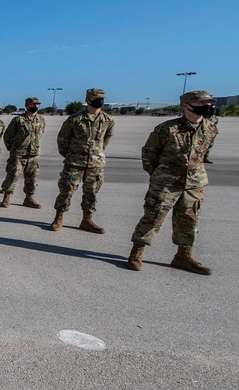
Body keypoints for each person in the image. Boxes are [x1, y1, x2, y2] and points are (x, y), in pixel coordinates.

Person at [127, 90, 218, 275]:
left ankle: (183, 256)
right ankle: (137, 253)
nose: (207, 107)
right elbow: (149, 154)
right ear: (186, 105)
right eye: (201, 103)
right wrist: (159, 175)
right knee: (153, 217)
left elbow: (205, 153)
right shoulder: (167, 129)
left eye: (208, 103)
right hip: (166, 183)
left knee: (190, 221)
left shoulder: (210, 128)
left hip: (194, 183)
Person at [50, 89, 115, 233]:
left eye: (102, 98)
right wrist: (72, 156)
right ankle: (59, 217)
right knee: (66, 191)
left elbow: (105, 141)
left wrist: (96, 155)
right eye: (97, 98)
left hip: (95, 164)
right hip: (74, 163)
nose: (100, 101)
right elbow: (62, 140)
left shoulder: (108, 120)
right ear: (88, 100)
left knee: (91, 193)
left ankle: (87, 220)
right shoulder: (75, 119)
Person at [0, 97, 46, 208]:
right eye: (33, 104)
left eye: (37, 104)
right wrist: (12, 149)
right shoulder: (18, 120)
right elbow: (8, 136)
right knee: (13, 175)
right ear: (27, 105)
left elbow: (41, 134)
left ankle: (28, 198)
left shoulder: (41, 119)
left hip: (34, 154)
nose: (35, 106)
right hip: (18, 154)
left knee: (32, 177)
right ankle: (7, 197)